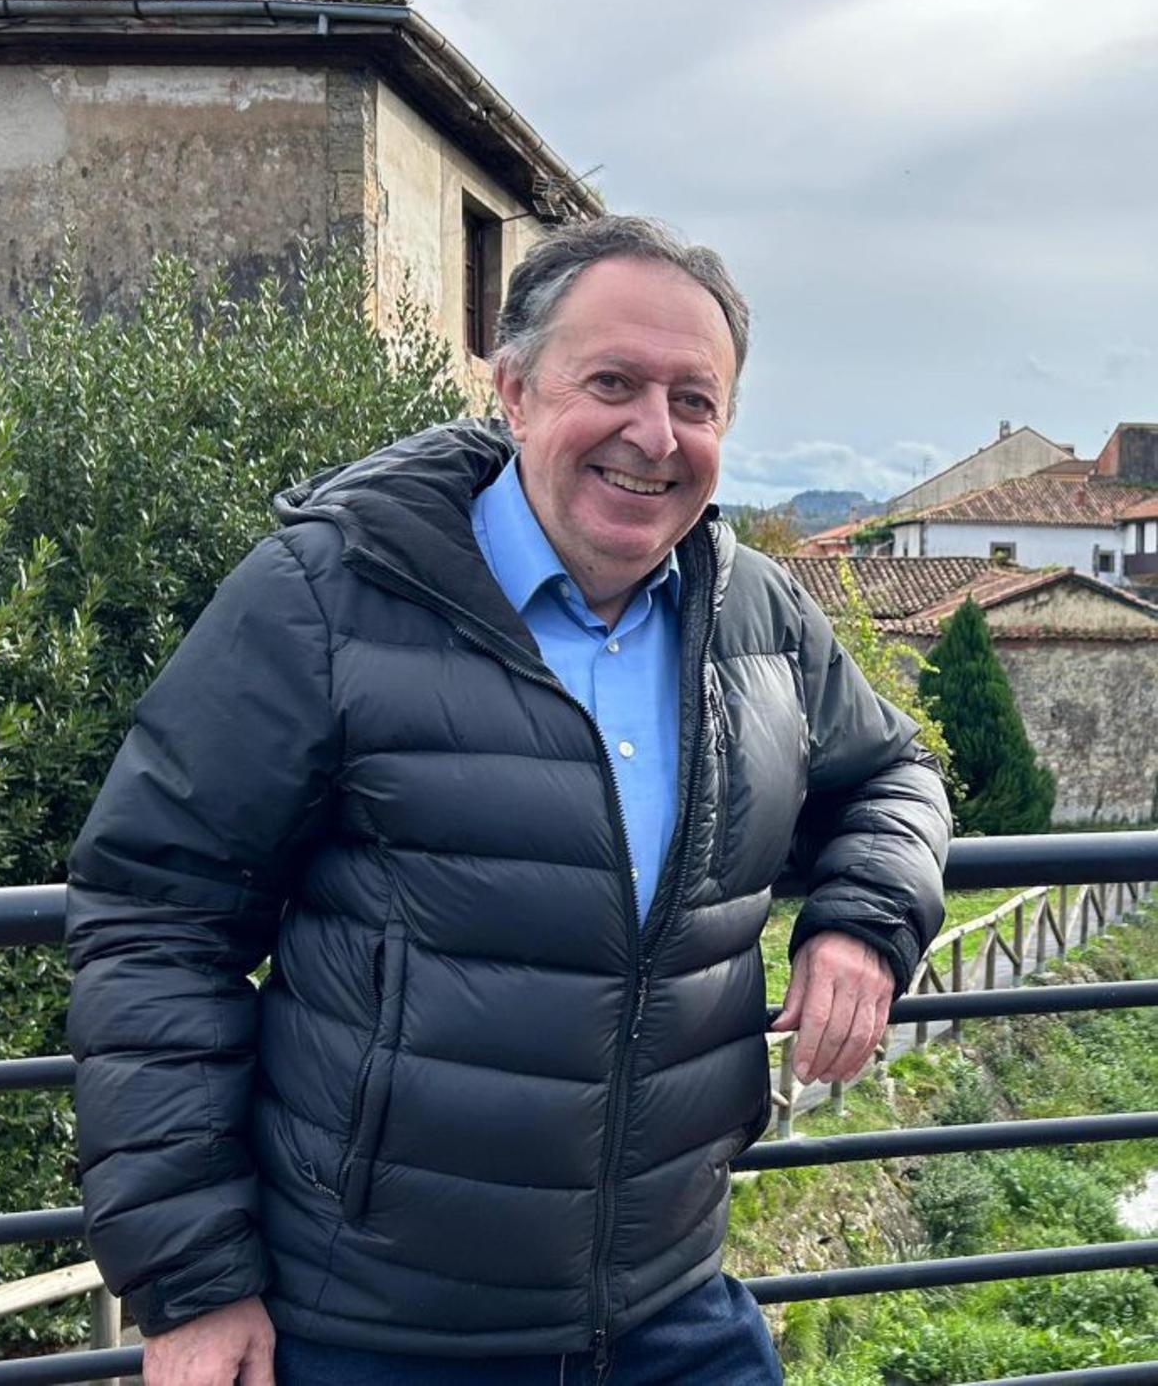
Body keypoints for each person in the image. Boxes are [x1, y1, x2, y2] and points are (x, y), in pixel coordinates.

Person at [66, 215, 950, 1386]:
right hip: (378, 1330)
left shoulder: (760, 619)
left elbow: (896, 771)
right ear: (515, 392)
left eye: (696, 399)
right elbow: (154, 923)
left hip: (666, 1305)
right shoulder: (327, 599)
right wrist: (193, 1283)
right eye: (614, 382)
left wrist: (864, 918)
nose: (655, 432)